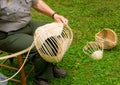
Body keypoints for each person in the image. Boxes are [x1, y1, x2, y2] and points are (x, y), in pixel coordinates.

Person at [0, 0, 68, 85]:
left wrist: (54, 15)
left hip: (26, 24)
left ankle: (49, 66)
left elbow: (37, 3)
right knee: (40, 46)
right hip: (7, 34)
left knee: (55, 33)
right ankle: (41, 78)